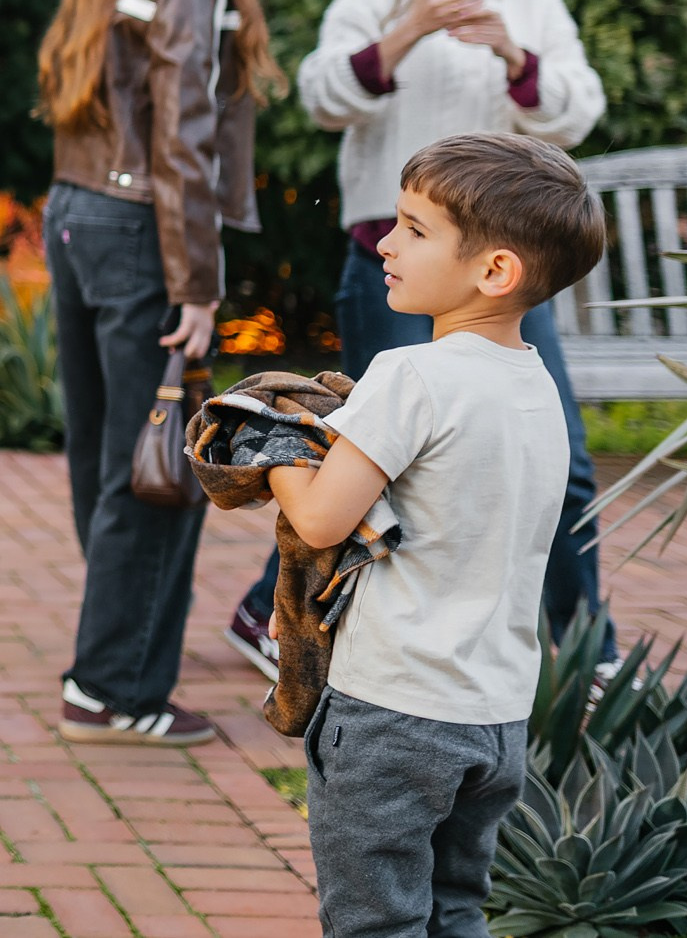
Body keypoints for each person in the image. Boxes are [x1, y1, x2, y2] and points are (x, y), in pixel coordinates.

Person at [223, 0, 610, 683]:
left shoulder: (534, 4)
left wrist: (512, 50)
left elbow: (579, 110)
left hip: (503, 275)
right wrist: (408, 29)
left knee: (566, 460)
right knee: (377, 451)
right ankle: (274, 612)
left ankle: (592, 653)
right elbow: (323, 95)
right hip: (392, 267)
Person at [268, 132, 604, 938]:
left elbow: (320, 517)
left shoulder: (411, 375)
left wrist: (271, 444)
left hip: (393, 711)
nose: (385, 241)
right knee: (455, 910)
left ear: (495, 270)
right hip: (495, 716)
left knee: (375, 921)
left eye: (415, 229)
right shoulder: (537, 387)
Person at [35, 0, 281, 746]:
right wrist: (198, 282)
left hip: (80, 215)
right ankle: (115, 686)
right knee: (162, 463)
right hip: (144, 232)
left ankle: (110, 665)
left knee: (111, 459)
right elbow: (184, 139)